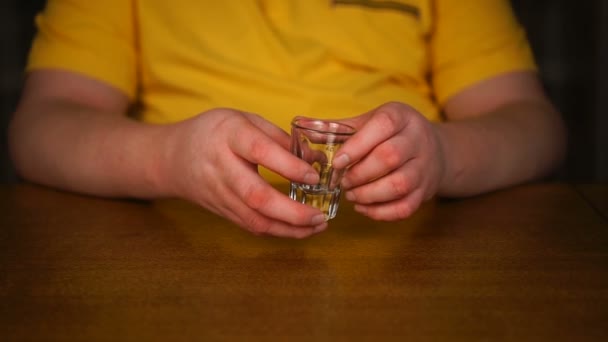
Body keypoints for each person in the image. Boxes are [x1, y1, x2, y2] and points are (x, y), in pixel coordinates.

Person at [8, 0, 566, 238]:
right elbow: (40, 129)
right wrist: (167, 158)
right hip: (180, 263)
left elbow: (536, 127)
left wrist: (444, 156)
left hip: (412, 267)